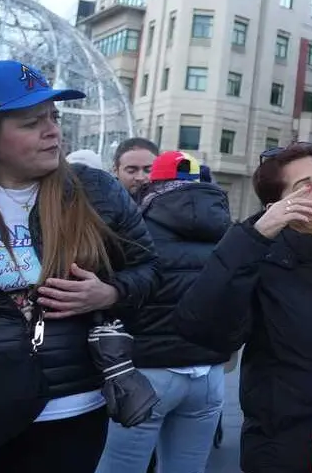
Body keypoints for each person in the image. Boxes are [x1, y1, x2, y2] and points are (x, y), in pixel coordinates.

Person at [0, 60, 158, 473]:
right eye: (33, 122)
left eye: (54, 117)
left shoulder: (94, 190)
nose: (54, 131)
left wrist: (111, 293)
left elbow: (150, 271)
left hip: (72, 411)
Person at [174, 142, 312, 473]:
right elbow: (200, 324)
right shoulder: (260, 257)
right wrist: (255, 234)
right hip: (285, 444)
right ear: (276, 207)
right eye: (303, 188)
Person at [98, 152, 232, 473]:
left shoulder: (134, 228)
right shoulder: (228, 230)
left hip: (146, 373)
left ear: (153, 182)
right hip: (208, 375)